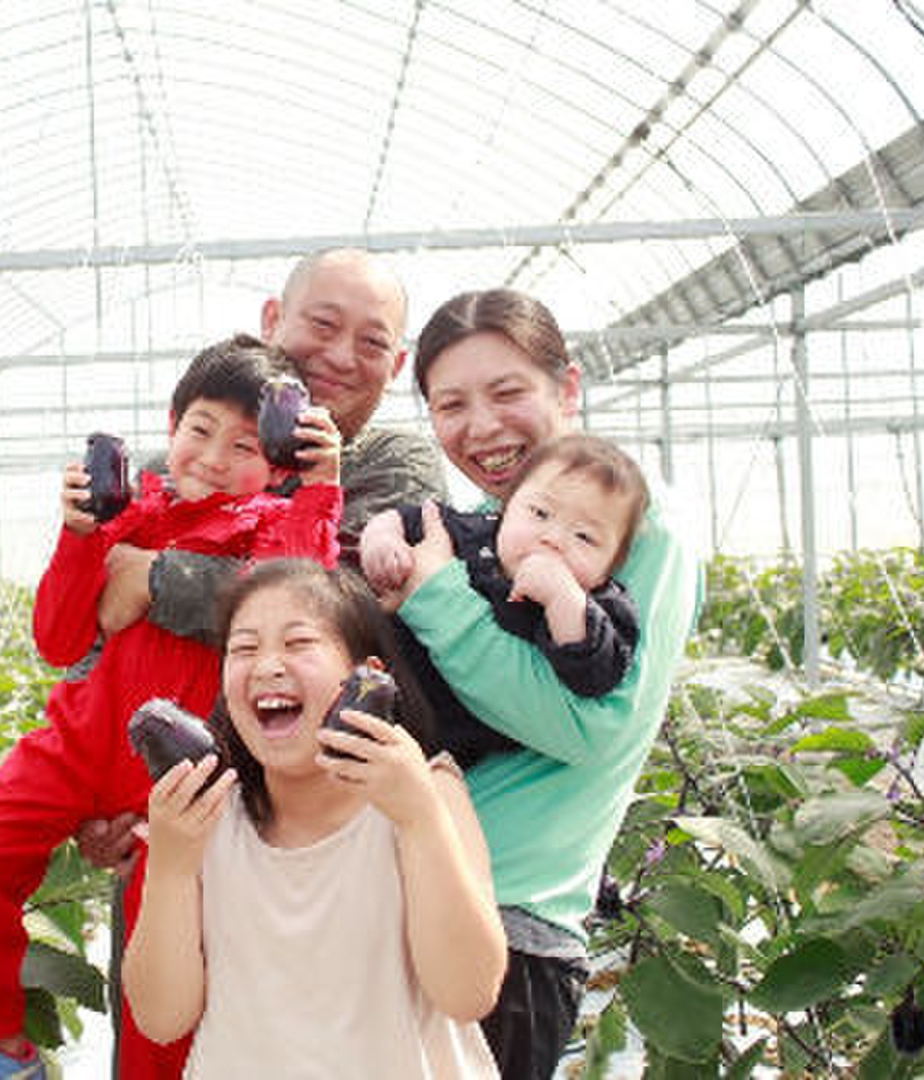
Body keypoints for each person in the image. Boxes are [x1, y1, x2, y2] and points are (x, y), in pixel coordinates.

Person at [0, 336, 344, 1080]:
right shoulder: (127, 516)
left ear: (279, 461)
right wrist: (79, 535)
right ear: (172, 424)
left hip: (185, 781)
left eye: (245, 446)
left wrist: (319, 489)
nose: (213, 458)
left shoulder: (270, 528)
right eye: (200, 430)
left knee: (162, 964)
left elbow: (298, 598)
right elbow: (57, 639)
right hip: (80, 743)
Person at [379, 288, 703, 1080]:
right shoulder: (487, 529)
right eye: (451, 404)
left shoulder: (642, 527)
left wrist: (435, 598)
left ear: (568, 388)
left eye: (507, 392)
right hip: (419, 893)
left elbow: (595, 729)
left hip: (511, 919)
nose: (482, 426)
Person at [79, 247, 446, 872]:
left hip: (326, 831)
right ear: (273, 320)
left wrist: (156, 576)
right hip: (170, 812)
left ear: (396, 366)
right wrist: (92, 790)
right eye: (323, 325)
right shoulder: (174, 471)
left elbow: (343, 600)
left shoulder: (393, 464)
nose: (340, 356)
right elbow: (96, 630)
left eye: (371, 342)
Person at [121, 558, 505, 1078]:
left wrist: (419, 820)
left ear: (368, 675)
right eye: (244, 649)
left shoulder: (426, 794)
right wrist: (171, 866)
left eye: (298, 643)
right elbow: (161, 1018)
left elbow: (467, 992)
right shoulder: (210, 816)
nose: (266, 666)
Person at [361, 432, 649, 770]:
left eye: (584, 537)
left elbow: (595, 675)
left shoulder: (596, 604)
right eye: (540, 513)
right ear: (506, 508)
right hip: (377, 678)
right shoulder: (471, 531)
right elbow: (402, 517)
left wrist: (562, 598)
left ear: (610, 569)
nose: (553, 539)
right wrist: (382, 540)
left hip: (445, 743)